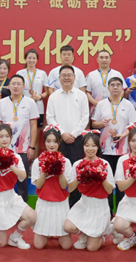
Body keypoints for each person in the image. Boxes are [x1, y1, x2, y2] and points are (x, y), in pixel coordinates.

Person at [0, 123, 37, 249]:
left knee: (32, 216)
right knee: (0, 243)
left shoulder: (16, 157)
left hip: (11, 196)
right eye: (1, 136)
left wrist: (10, 165)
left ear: (11, 138)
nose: (4, 139)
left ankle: (15, 237)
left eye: (7, 136)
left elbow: (23, 176)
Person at [91, 77, 136, 213]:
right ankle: (107, 210)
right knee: (106, 180)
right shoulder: (101, 104)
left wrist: (123, 135)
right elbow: (94, 123)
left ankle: (120, 211)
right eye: (112, 85)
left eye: (118, 85)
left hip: (123, 150)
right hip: (105, 149)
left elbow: (134, 124)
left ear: (122, 88)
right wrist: (102, 123)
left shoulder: (127, 104)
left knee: (121, 181)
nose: (115, 87)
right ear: (108, 88)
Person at [64, 130, 116, 252]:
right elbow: (70, 188)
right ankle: (85, 234)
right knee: (67, 227)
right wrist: (79, 176)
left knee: (92, 248)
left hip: (100, 206)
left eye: (93, 145)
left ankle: (109, 230)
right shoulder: (77, 164)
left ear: (98, 147)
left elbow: (109, 190)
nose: (90, 149)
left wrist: (101, 176)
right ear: (83, 146)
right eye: (87, 145)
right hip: (84, 203)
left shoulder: (104, 164)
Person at [45, 65, 90, 206]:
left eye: (69, 75)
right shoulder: (53, 96)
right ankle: (58, 202)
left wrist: (74, 134)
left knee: (76, 172)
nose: (66, 78)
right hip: (58, 141)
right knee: (59, 171)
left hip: (77, 140)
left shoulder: (81, 95)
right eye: (63, 75)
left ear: (74, 77)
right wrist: (62, 133)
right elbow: (50, 117)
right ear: (58, 78)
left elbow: (85, 118)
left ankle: (75, 204)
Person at [0, 74, 39, 202]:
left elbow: (33, 126)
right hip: (5, 149)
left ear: (24, 86)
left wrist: (32, 147)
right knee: (4, 178)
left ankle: (22, 207)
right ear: (8, 86)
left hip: (23, 149)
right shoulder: (2, 103)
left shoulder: (30, 102)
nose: (16, 86)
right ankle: (5, 205)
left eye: (19, 84)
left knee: (22, 181)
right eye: (13, 83)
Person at [31, 125, 74, 250]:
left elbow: (64, 186)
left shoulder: (66, 162)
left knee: (66, 246)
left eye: (55, 141)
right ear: (44, 142)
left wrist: (59, 170)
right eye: (48, 141)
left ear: (59, 142)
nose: (52, 145)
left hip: (61, 204)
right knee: (38, 246)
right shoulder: (38, 161)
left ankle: (56, 232)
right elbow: (38, 185)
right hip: (44, 203)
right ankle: (47, 232)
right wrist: (45, 170)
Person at [16, 49, 49, 128]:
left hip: (38, 106)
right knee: (23, 128)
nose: (31, 60)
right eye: (29, 58)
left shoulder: (42, 73)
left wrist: (40, 96)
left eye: (34, 58)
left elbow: (47, 91)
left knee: (37, 129)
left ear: (37, 60)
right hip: (23, 105)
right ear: (26, 59)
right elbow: (16, 90)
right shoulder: (20, 73)